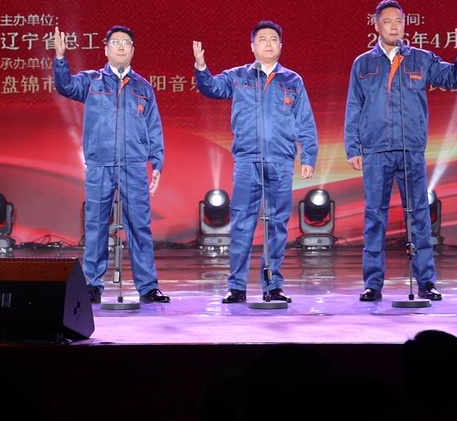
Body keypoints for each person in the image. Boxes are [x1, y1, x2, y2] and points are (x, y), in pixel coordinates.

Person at [344, 0, 457, 302]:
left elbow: (454, 77)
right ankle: (373, 284)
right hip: (376, 150)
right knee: (374, 217)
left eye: (399, 21)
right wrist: (353, 147)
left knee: (419, 217)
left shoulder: (421, 59)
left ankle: (426, 281)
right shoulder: (363, 64)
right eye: (388, 21)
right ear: (376, 25)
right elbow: (353, 107)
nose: (394, 27)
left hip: (411, 149)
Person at [194, 21, 318, 304]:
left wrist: (308, 155)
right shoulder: (239, 76)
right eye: (262, 39)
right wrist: (201, 68)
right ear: (252, 46)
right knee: (242, 224)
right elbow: (212, 88)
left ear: (281, 45)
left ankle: (273, 285)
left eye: (273, 39)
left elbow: (305, 121)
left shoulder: (292, 80)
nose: (268, 44)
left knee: (277, 225)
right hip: (248, 160)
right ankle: (237, 286)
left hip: (281, 161)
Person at [53, 24, 170, 304]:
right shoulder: (91, 81)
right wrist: (60, 58)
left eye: (125, 43)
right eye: (115, 42)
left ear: (133, 50)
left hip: (133, 165)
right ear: (105, 49)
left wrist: (157, 162)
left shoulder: (143, 87)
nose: (120, 47)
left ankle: (148, 287)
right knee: (96, 225)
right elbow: (65, 86)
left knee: (139, 226)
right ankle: (92, 284)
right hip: (100, 164)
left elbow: (154, 127)